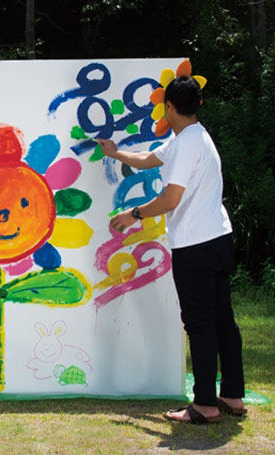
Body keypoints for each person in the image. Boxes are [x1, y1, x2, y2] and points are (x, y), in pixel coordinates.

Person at [98, 75, 246, 424]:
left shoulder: (186, 145)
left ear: (168, 106)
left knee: (200, 323)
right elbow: (151, 157)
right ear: (198, 105)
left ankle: (205, 404)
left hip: (196, 245)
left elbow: (170, 198)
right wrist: (116, 153)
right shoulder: (196, 137)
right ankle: (232, 396)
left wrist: (132, 214)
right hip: (219, 239)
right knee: (223, 319)